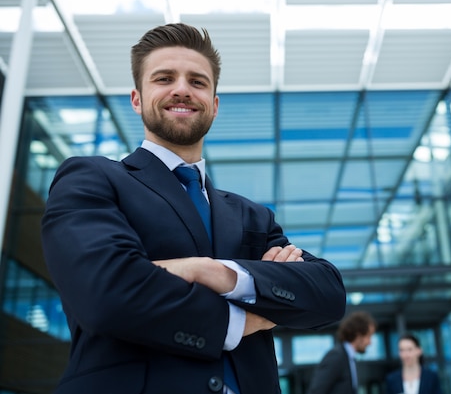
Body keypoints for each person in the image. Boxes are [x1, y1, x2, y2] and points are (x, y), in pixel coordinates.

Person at [41, 22, 346, 394]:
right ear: (137, 98)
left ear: (214, 106)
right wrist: (247, 314)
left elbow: (328, 293)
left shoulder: (252, 216)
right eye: (164, 78)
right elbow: (106, 293)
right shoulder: (90, 178)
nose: (182, 89)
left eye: (197, 82)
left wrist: (221, 274)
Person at [306, 311, 377, 394]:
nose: (370, 342)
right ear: (358, 335)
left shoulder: (350, 359)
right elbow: (316, 391)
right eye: (369, 336)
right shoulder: (336, 357)